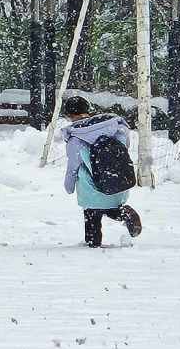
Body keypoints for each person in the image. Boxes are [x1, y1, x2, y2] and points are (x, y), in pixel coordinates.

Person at [61, 96, 142, 248]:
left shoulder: (76, 138)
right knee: (112, 208)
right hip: (116, 180)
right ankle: (124, 213)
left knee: (92, 214)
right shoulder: (113, 128)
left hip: (91, 186)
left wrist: (69, 186)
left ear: (69, 115)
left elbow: (73, 165)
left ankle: (93, 244)